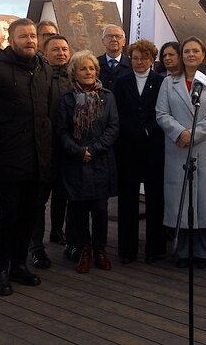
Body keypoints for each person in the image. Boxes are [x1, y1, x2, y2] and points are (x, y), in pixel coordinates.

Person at [0, 18, 52, 296]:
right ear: (11, 40)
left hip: (37, 157)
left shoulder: (44, 69)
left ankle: (19, 264)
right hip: (8, 159)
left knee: (29, 215)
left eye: (33, 36)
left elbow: (48, 112)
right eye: (23, 36)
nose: (30, 40)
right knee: (8, 216)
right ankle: (1, 269)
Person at [155, 36, 206, 269]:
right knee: (181, 197)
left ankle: (203, 252)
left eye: (195, 51)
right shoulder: (169, 82)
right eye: (186, 51)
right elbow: (161, 113)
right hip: (178, 147)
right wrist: (179, 133)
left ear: (203, 54)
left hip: (204, 147)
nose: (191, 55)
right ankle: (183, 252)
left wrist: (192, 134)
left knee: (205, 200)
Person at [55, 50, 119, 273]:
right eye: (83, 68)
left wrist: (93, 149)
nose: (88, 72)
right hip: (76, 162)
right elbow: (61, 131)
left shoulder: (107, 97)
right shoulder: (66, 99)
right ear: (74, 72)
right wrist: (79, 152)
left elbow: (113, 128)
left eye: (91, 68)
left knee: (100, 210)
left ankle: (100, 249)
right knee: (79, 209)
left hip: (100, 161)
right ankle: (83, 249)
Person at [112, 39, 167, 264]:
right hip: (128, 147)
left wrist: (147, 129)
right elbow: (117, 111)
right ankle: (127, 250)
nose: (139, 62)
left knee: (156, 199)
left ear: (151, 59)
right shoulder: (122, 81)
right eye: (135, 58)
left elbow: (163, 111)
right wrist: (132, 130)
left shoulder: (161, 82)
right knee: (127, 200)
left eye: (144, 58)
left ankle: (154, 249)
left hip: (154, 147)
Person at [29, 35, 73, 269]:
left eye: (65, 49)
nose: (61, 53)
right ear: (44, 53)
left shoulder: (75, 76)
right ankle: (36, 247)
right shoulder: (37, 76)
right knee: (39, 200)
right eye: (55, 49)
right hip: (43, 147)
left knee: (63, 196)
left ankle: (58, 230)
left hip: (68, 148)